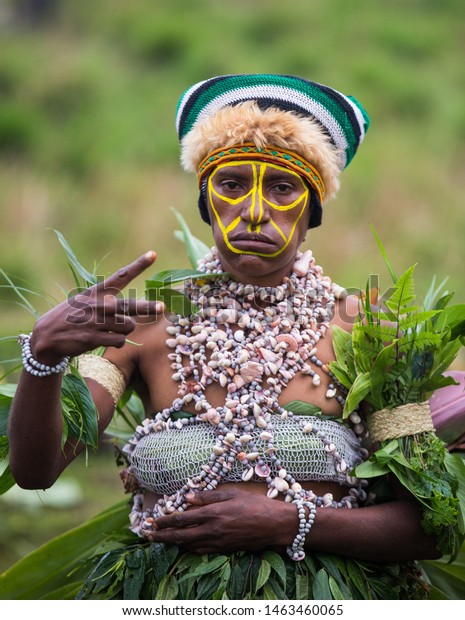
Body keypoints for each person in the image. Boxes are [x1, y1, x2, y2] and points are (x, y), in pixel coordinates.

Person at [7, 74, 446, 600]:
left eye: (282, 188)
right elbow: (37, 473)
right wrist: (44, 357)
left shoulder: (367, 329)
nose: (255, 211)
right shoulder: (150, 323)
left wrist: (289, 523)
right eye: (232, 185)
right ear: (205, 203)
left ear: (312, 211)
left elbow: (429, 526)